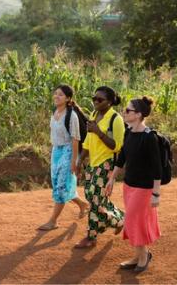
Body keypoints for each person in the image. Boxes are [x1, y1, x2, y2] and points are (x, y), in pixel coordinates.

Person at [105, 96, 161, 273]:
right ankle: (138, 256)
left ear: (138, 114)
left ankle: (144, 255)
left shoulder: (149, 137)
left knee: (133, 220)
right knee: (132, 220)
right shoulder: (129, 132)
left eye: (128, 110)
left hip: (144, 188)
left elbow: (157, 167)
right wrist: (112, 178)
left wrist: (156, 193)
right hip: (129, 185)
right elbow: (122, 158)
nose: (124, 112)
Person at [74, 86, 125, 248]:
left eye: (100, 99)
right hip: (93, 163)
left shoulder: (115, 119)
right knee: (93, 197)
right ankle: (119, 219)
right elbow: (88, 141)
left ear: (109, 102)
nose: (95, 101)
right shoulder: (94, 114)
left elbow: (117, 146)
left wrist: (98, 132)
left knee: (95, 200)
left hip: (106, 164)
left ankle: (91, 237)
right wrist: (80, 159)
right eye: (94, 98)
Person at [38, 84, 90, 231]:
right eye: (55, 94)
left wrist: (75, 161)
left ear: (68, 98)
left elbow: (75, 139)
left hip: (68, 151)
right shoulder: (55, 113)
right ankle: (82, 204)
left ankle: (53, 221)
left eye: (60, 95)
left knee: (61, 187)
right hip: (56, 152)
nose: (56, 96)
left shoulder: (71, 115)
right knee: (58, 184)